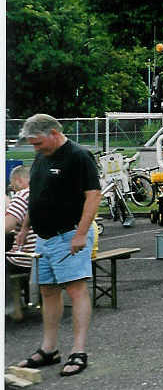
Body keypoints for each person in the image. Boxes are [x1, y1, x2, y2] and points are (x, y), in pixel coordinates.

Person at [15, 114, 101, 377]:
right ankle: (49, 349)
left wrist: (80, 234)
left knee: (76, 290)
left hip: (69, 235)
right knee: (48, 292)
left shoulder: (78, 156)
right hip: (45, 237)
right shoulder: (42, 156)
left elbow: (93, 196)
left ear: (54, 133)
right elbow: (37, 195)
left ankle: (78, 351)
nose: (35, 149)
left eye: (38, 143)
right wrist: (27, 226)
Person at [5, 165, 37, 321]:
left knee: (7, 262)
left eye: (13, 185)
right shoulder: (41, 193)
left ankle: (13, 306)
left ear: (18, 180)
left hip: (25, 259)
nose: (13, 188)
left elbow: (7, 226)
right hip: (44, 256)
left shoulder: (21, 195)